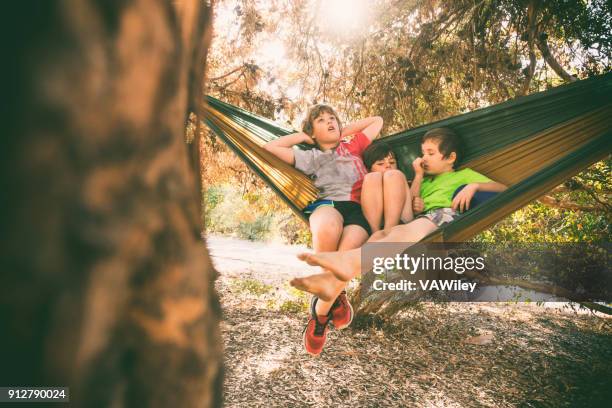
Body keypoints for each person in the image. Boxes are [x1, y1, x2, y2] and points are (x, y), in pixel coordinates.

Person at [290, 127, 507, 300]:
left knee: (395, 235)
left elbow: (505, 190)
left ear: (450, 157)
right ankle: (332, 283)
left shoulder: (465, 175)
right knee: (381, 237)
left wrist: (474, 186)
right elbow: (411, 201)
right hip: (420, 220)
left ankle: (342, 268)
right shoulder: (425, 179)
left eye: (430, 153)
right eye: (423, 153)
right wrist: (419, 176)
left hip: (444, 216)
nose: (424, 158)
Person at [263, 104, 383, 355]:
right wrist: (304, 138)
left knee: (347, 255)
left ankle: (319, 316)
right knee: (327, 227)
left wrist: (343, 130)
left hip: (358, 211)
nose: (329, 122)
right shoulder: (310, 155)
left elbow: (377, 121)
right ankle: (336, 296)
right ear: (312, 131)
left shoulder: (354, 145)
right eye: (321, 120)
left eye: (333, 119)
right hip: (327, 204)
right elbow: (270, 148)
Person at [360, 142, 413, 234]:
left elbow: (415, 199)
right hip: (376, 230)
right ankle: (375, 234)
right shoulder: (368, 183)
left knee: (394, 175)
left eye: (392, 162)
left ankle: (388, 233)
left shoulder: (401, 179)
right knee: (371, 178)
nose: (388, 165)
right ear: (368, 168)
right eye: (380, 163)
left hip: (402, 226)